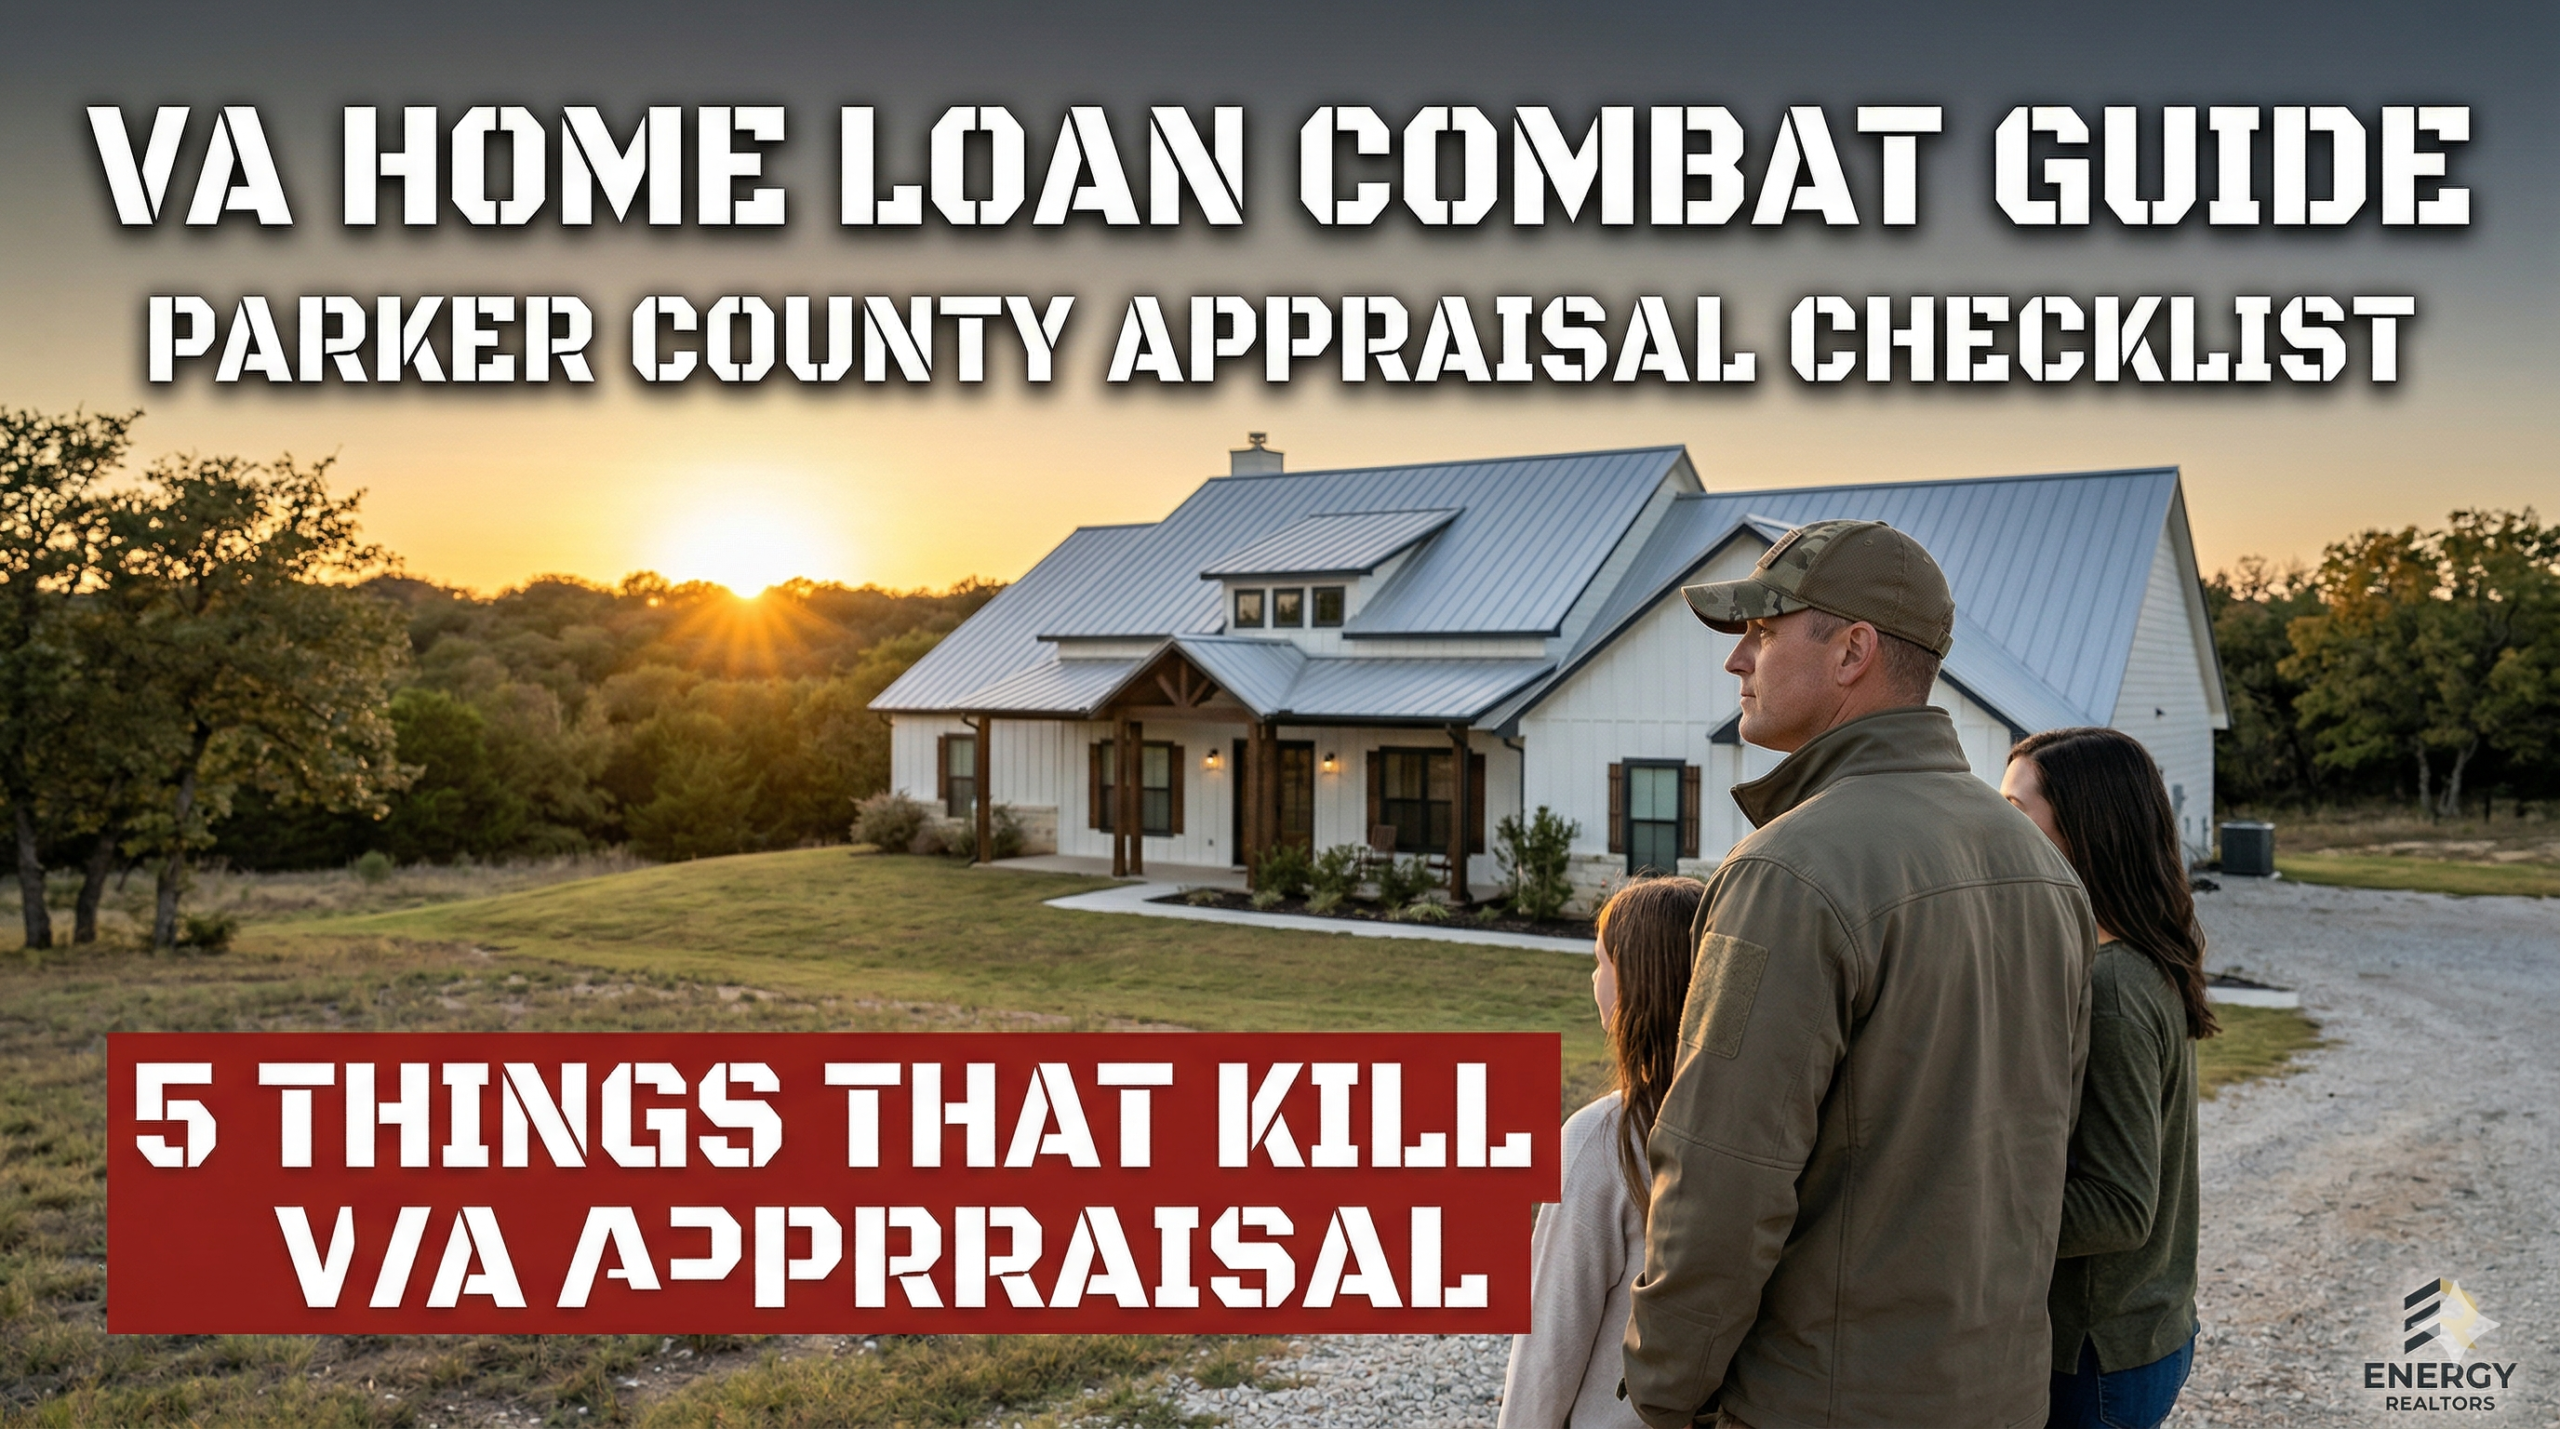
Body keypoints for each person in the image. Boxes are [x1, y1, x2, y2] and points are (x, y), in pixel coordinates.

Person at [1623, 519, 2099, 1429]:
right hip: (1996, 1391)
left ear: (1852, 650)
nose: (1737, 663)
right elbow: (2040, 1146)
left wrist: (1662, 1391)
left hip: (1826, 1401)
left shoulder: (1787, 873)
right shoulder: (2041, 867)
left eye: (1762, 630)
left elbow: (1722, 1179)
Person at [2002, 728, 2214, 1429]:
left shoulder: (2115, 984)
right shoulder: (2116, 956)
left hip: (2100, 1351)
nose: (1996, 827)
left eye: (2015, 809)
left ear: (2082, 830)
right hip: (2130, 1334)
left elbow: (2122, 1205)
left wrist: (1978, 1221)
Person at [1500, 876, 1705, 1429]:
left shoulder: (1602, 1140)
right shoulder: (1762, 1132)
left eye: (1601, 963)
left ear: (1636, 985)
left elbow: (1549, 1347)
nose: (1594, 981)